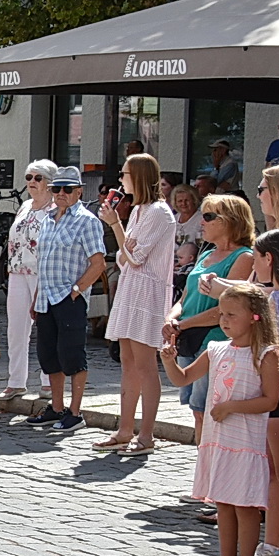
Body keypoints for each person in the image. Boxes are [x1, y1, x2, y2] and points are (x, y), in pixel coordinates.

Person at [202, 230, 279, 556]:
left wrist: (264, 352)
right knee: (275, 475)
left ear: (270, 259)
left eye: (259, 257)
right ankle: (273, 544)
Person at [161, 283, 279, 556]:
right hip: (218, 443)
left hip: (245, 444)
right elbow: (183, 378)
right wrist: (168, 361)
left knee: (245, 506)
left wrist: (232, 407)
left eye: (231, 314)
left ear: (254, 317)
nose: (224, 320)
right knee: (224, 504)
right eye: (221, 314)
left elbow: (270, 400)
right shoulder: (216, 350)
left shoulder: (265, 355)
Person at [93, 153, 173, 453]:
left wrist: (115, 225)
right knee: (127, 361)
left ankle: (146, 435)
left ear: (138, 176)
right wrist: (124, 239)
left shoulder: (158, 213)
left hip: (147, 292)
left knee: (145, 365)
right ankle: (125, 429)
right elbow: (126, 260)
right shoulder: (139, 210)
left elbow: (135, 257)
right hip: (131, 288)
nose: (121, 179)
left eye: (125, 174)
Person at [23, 167, 106, 433]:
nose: (60, 194)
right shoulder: (47, 218)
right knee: (48, 355)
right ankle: (56, 407)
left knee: (72, 355)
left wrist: (76, 290)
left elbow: (98, 263)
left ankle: (75, 412)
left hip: (69, 297)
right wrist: (37, 296)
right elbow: (43, 262)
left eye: (67, 189)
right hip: (46, 297)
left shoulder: (87, 221)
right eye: (56, 189)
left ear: (79, 192)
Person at [166, 195, 255, 442]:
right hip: (188, 336)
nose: (202, 222)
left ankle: (213, 467)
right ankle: (203, 466)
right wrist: (171, 318)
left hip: (213, 340)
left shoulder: (244, 257)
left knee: (209, 410)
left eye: (208, 216)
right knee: (196, 410)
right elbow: (185, 297)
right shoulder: (206, 255)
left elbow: (225, 309)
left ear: (230, 221)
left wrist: (182, 324)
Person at [0, 160, 57, 398]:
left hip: (41, 272)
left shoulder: (55, 210)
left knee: (45, 326)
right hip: (17, 271)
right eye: (29, 177)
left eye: (38, 178)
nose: (32, 182)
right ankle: (16, 380)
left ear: (49, 183)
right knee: (16, 328)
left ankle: (48, 380)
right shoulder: (24, 206)